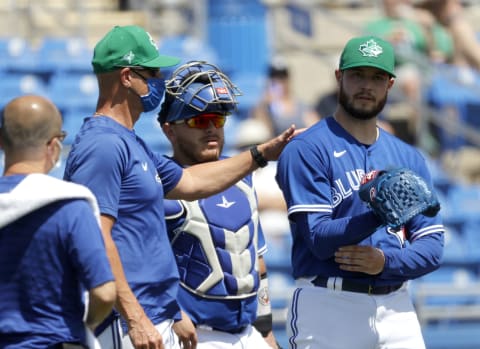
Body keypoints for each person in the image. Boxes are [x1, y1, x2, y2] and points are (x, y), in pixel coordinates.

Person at [63, 25, 296, 349]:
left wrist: (260, 155)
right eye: (153, 73)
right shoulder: (102, 145)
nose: (160, 80)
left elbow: (191, 181)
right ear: (127, 76)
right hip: (132, 323)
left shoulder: (131, 143)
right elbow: (95, 238)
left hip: (162, 317)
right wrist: (135, 318)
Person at [275, 35, 445, 349]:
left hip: (397, 308)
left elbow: (433, 247)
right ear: (339, 78)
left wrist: (385, 262)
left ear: (390, 85)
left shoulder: (408, 157)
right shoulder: (307, 148)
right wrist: (378, 213)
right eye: (357, 75)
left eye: (377, 77)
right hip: (328, 303)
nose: (367, 85)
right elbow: (319, 240)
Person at [157, 60, 281, 348]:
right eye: (198, 121)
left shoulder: (243, 176)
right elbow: (139, 267)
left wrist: (266, 332)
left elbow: (256, 264)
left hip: (249, 333)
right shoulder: (158, 185)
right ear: (169, 130)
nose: (212, 128)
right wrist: (172, 315)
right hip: (196, 336)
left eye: (219, 119)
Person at [0, 95, 116, 348]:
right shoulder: (70, 207)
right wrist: (88, 324)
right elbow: (105, 293)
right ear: (53, 146)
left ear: (1, 141)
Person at [250, 57, 319, 139]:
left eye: (282, 78)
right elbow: (263, 136)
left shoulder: (302, 106)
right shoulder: (265, 107)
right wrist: (264, 106)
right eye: (275, 78)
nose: (279, 82)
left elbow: (315, 130)